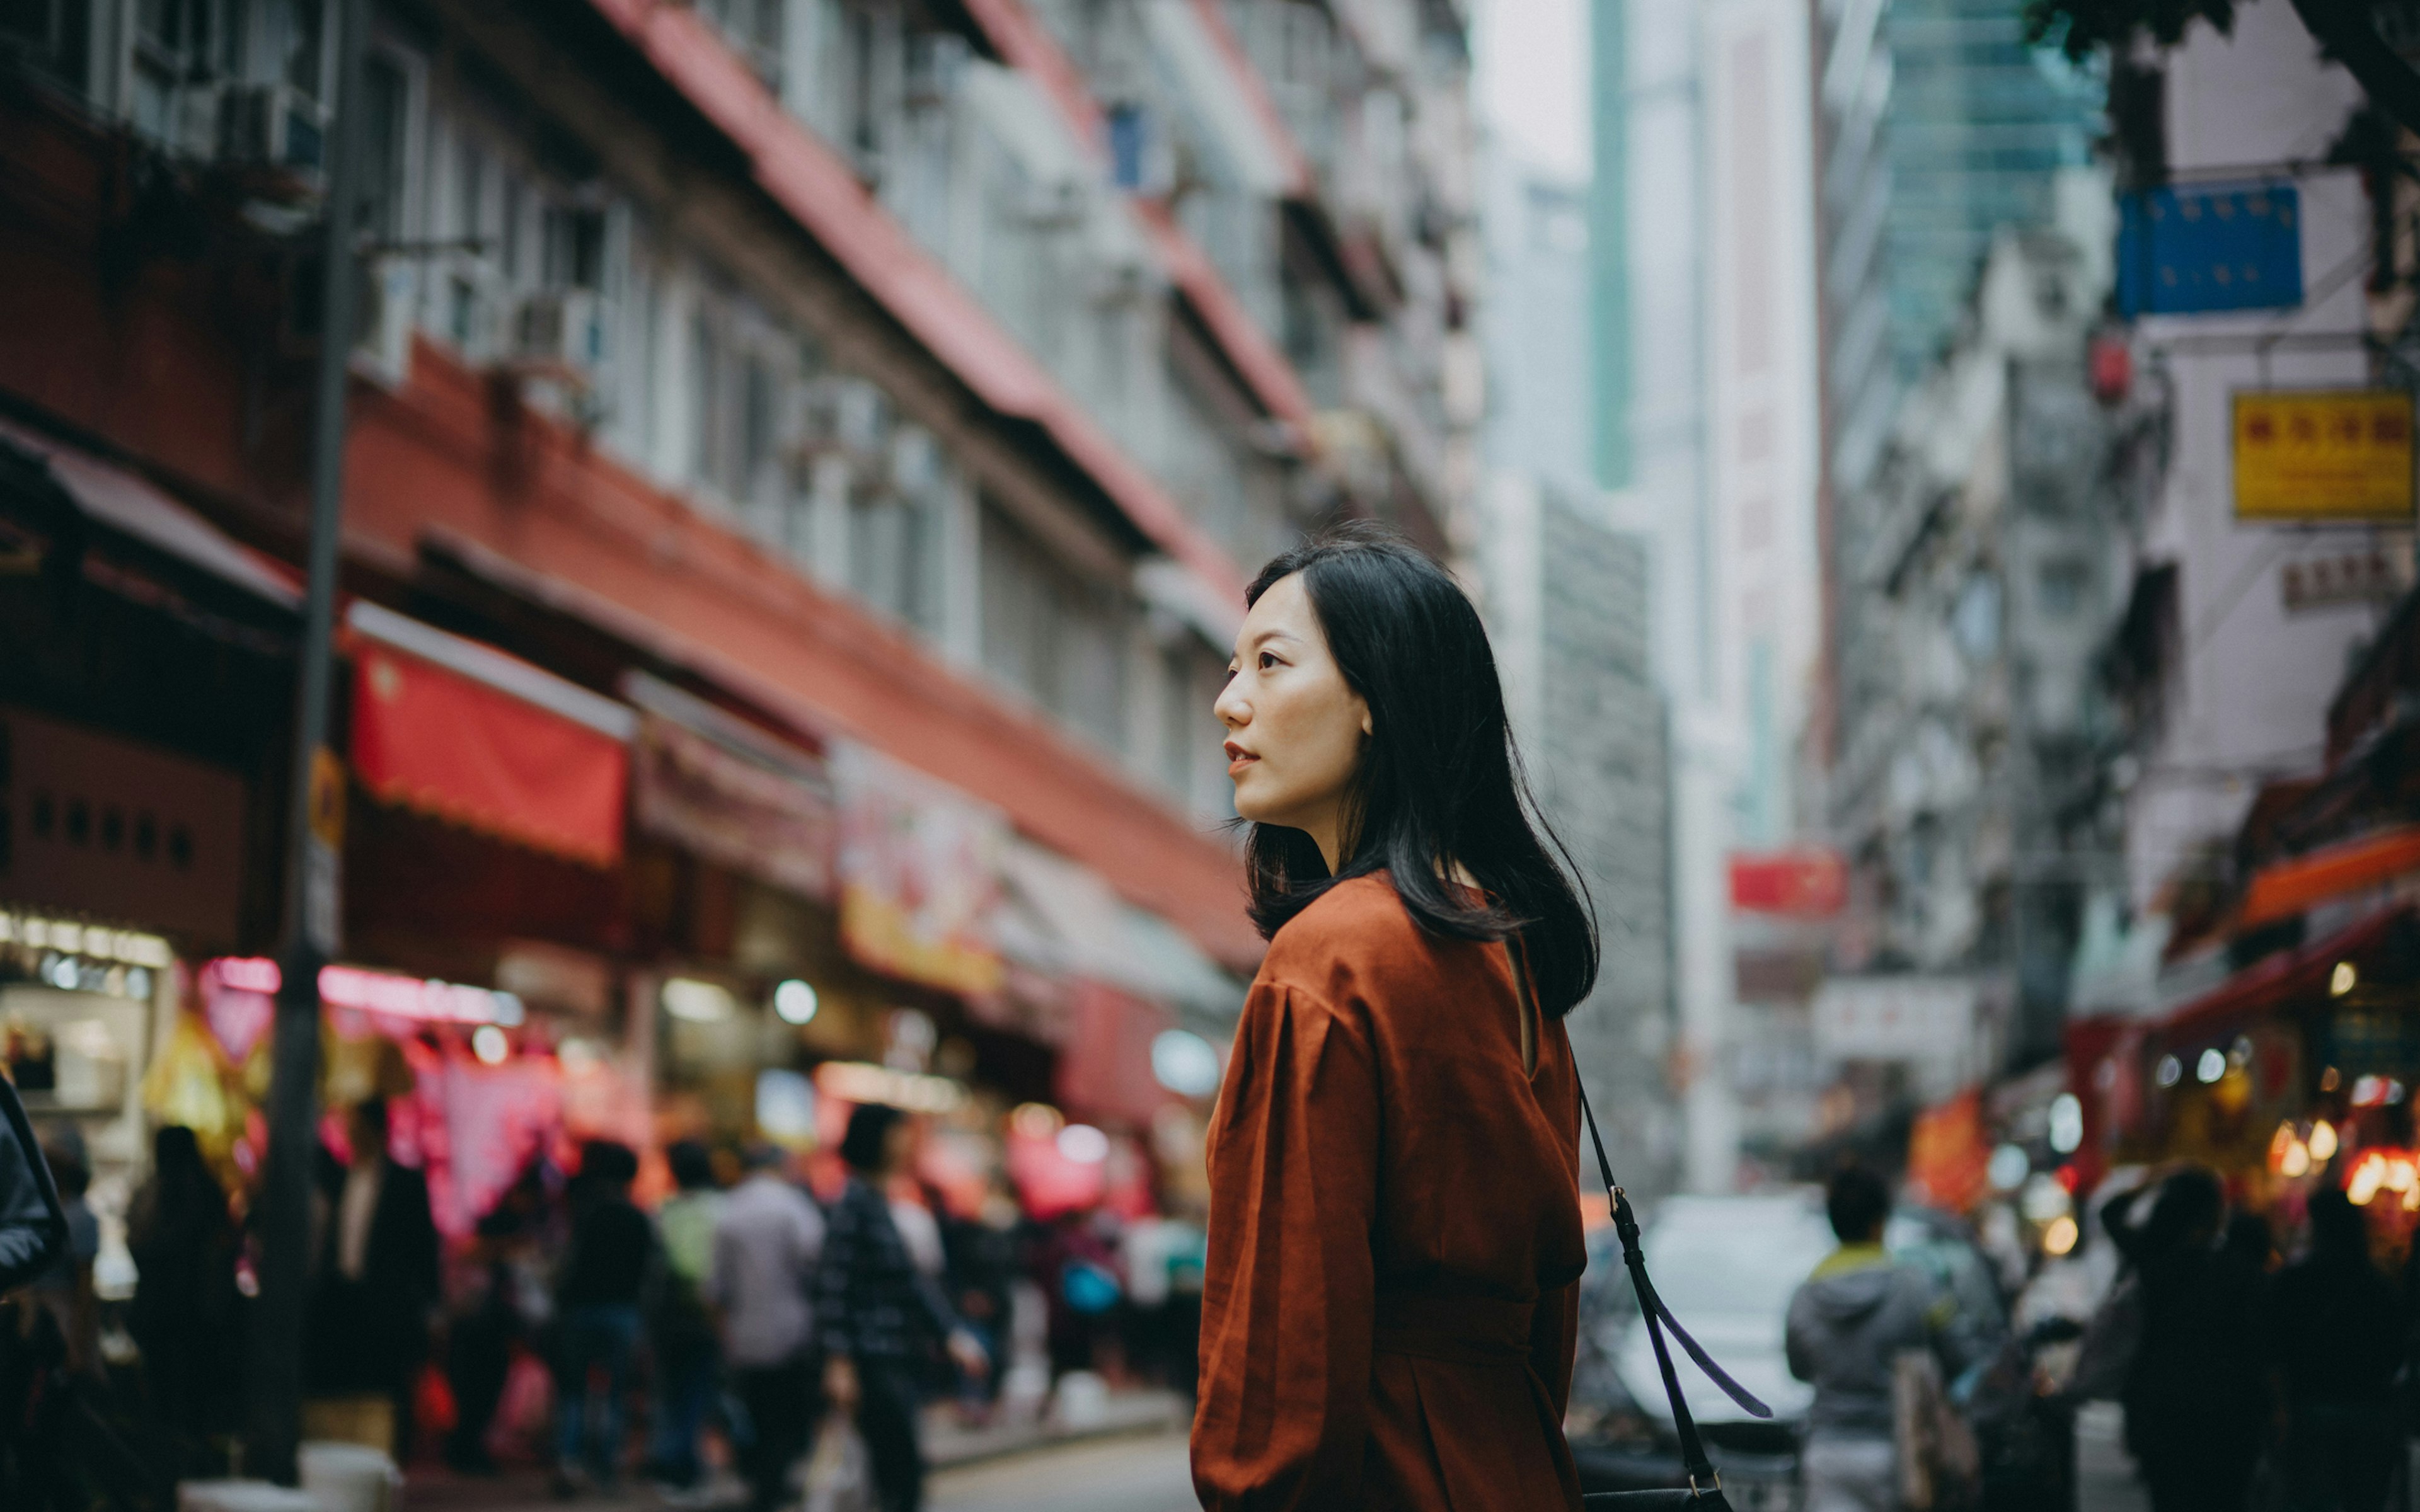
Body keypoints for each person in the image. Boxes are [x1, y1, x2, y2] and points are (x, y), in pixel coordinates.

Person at [1190, 525, 1600, 1511]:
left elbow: (1288, 1333)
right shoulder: (1511, 957)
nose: (1227, 700)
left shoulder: (1333, 959)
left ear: (1378, 699)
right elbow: (1551, 1316)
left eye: (1271, 664)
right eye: (1232, 666)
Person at [817, 1104, 988, 1512]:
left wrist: (950, 1335)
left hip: (895, 1353)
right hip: (872, 1358)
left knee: (895, 1472)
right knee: (901, 1470)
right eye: (900, 1134)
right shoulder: (855, 1203)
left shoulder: (876, 1200)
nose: (909, 1144)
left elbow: (909, 1282)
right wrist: (838, 1361)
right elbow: (834, 1285)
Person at [1785, 1166, 1955, 1512]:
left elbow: (1798, 1369)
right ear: (1880, 1222)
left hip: (1827, 1454)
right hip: (1901, 1451)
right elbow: (1956, 1353)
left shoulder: (1804, 1296)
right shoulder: (1915, 1286)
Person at [2104, 1166, 2267, 1512]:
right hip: (2227, 1413)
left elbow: (2111, 1214)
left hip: (2162, 1407)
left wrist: (2154, 1182)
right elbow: (2259, 1348)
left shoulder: (2154, 1262)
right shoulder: (2239, 1271)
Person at [306, 1098, 442, 1455]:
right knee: (344, 1385)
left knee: (385, 1389)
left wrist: (430, 1304)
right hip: (341, 1296)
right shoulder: (340, 1178)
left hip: (386, 1301)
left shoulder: (405, 1182)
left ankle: (383, 1460)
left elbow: (423, 1246)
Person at [2271, 1189, 2400, 1512]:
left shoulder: (2293, 1281)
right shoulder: (2376, 1286)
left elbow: (2275, 1347)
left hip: (2309, 1411)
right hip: (2367, 1412)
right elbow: (2394, 1348)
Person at [712, 1143, 824, 1512]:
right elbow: (816, 1263)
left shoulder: (728, 1209)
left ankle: (761, 1481)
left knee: (756, 1411)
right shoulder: (794, 1206)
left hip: (745, 1335)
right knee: (787, 1413)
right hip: (793, 1330)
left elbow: (716, 1286)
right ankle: (775, 1482)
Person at [127, 1125, 242, 1465]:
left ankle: (171, 1460)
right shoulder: (205, 1191)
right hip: (197, 1313)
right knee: (194, 1397)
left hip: (170, 1311)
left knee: (169, 1395)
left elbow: (140, 1243)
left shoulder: (160, 1192)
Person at [551, 1140, 654, 1495]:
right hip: (623, 1313)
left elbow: (568, 1264)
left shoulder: (585, 1212)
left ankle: (569, 1461)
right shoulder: (639, 1217)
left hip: (581, 1311)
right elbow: (649, 1272)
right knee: (615, 1394)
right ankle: (607, 1468)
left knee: (574, 1392)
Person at [647, 1140, 724, 1492]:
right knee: (697, 1388)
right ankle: (685, 1459)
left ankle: (673, 1457)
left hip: (669, 1316)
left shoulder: (665, 1211)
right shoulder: (723, 1209)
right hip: (707, 1315)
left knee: (672, 1388)